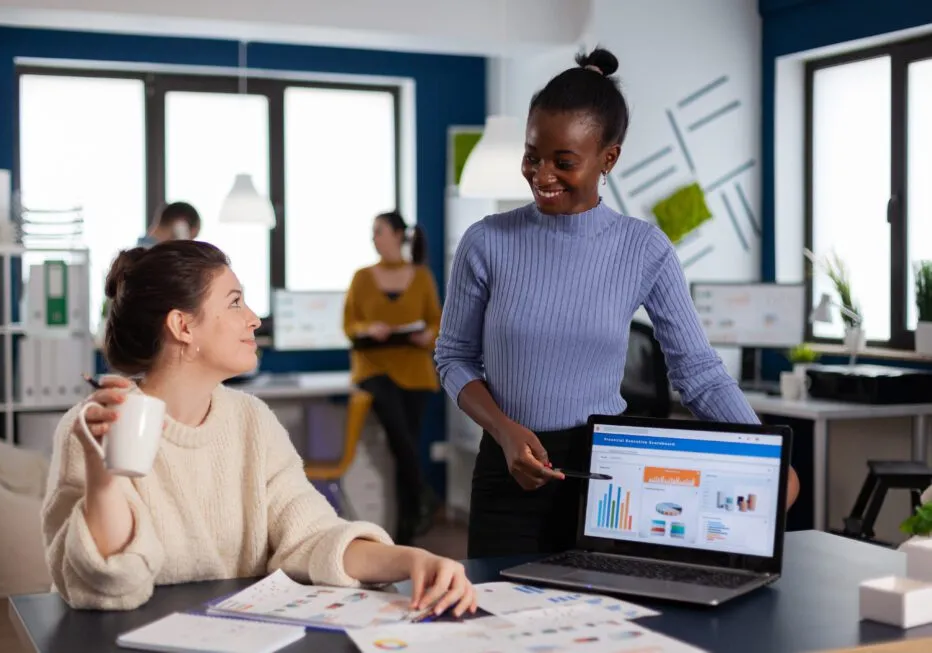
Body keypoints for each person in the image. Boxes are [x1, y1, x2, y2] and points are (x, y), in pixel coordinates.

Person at [434, 47, 800, 559]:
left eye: (564, 162)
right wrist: (503, 429)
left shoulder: (645, 249)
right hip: (507, 472)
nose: (541, 175)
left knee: (603, 627)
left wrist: (766, 455)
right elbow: (452, 358)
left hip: (606, 476)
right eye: (532, 156)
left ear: (609, 158)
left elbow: (697, 371)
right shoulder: (486, 242)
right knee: (499, 628)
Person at [42, 240, 476, 615]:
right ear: (182, 325)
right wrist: (103, 481)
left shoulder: (251, 420)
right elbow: (103, 584)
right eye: (234, 302)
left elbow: (313, 536)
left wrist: (414, 560)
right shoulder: (96, 427)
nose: (252, 318)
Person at [342, 211, 443, 546]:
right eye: (373, 232)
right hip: (374, 370)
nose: (374, 237)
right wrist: (368, 329)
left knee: (406, 449)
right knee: (402, 440)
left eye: (379, 231)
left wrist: (425, 335)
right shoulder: (361, 277)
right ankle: (425, 496)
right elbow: (349, 324)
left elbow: (437, 324)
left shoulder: (422, 276)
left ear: (398, 235)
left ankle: (405, 533)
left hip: (415, 373)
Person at [137, 201, 201, 247]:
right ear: (180, 226)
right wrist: (183, 247)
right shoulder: (157, 258)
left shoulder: (138, 253)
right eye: (191, 238)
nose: (189, 242)